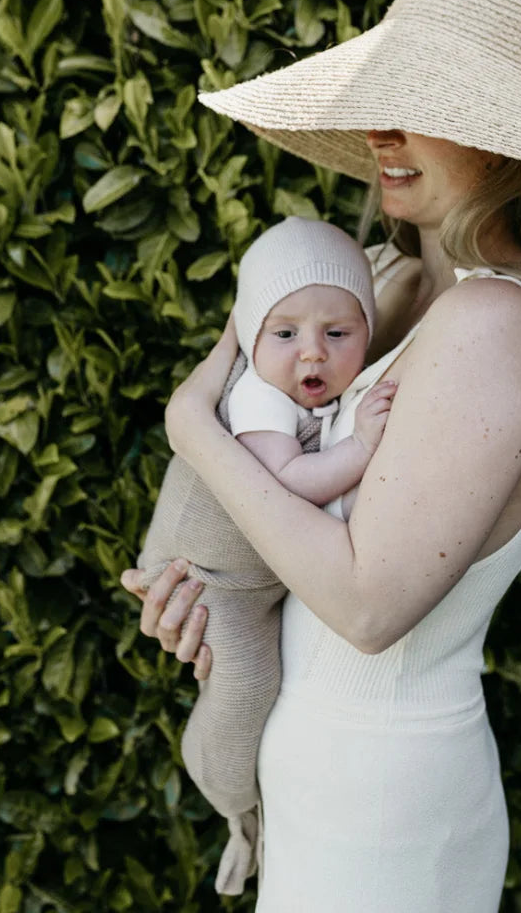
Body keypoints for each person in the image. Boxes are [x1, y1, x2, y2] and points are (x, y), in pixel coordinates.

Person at [121, 0, 521, 911]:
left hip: (381, 809)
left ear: (500, 139)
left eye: (420, 104)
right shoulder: (401, 285)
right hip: (327, 773)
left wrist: (189, 424)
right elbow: (312, 538)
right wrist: (214, 601)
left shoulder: (493, 323)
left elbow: (370, 603)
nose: (380, 129)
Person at [136, 216, 395, 894]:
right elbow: (283, 485)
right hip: (211, 579)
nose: (312, 355)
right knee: (245, 689)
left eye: (337, 334)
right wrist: (362, 449)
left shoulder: (309, 386)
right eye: (285, 334)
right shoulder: (256, 394)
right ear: (251, 339)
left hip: (256, 581)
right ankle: (229, 801)